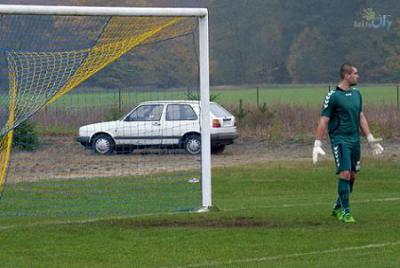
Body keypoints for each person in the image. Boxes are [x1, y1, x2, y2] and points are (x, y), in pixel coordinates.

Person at [312, 63, 383, 223]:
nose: (358, 76)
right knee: (344, 173)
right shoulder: (333, 96)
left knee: (352, 176)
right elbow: (324, 121)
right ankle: (346, 213)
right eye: (355, 73)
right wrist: (317, 144)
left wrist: (370, 138)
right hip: (340, 140)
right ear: (346, 75)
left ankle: (337, 207)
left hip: (354, 140)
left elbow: (361, 117)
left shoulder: (357, 94)